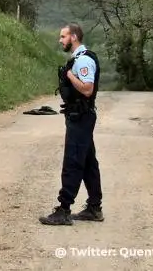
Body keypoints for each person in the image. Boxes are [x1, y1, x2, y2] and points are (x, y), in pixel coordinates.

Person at [39, 22, 103, 226]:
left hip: (81, 117)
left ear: (74, 37)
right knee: (88, 163)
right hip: (80, 116)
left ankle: (64, 209)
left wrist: (69, 76)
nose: (60, 40)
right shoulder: (79, 58)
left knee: (73, 161)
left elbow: (87, 89)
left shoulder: (83, 61)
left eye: (63, 36)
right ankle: (94, 207)